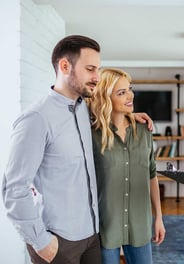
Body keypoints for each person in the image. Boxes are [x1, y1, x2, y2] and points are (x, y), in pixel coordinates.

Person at [2, 35, 153, 264]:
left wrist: (131, 115)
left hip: (91, 237)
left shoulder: (84, 109)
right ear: (65, 66)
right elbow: (13, 188)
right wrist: (41, 242)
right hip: (58, 242)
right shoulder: (37, 118)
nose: (97, 77)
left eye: (98, 69)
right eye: (91, 69)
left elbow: (108, 111)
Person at [86, 68, 165, 264]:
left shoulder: (144, 130)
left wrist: (159, 218)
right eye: (121, 93)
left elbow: (151, 174)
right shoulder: (92, 135)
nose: (130, 95)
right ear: (106, 98)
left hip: (140, 223)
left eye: (129, 89)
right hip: (105, 226)